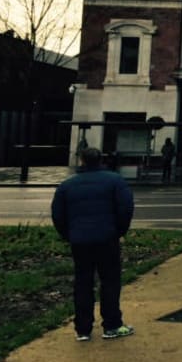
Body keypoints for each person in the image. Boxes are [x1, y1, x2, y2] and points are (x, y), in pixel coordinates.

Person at [50, 145, 135, 342]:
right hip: (107, 238)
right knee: (110, 281)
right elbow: (125, 209)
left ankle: (83, 328)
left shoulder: (67, 185)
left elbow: (58, 215)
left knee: (83, 282)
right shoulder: (115, 181)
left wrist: (69, 234)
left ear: (81, 161)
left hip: (80, 240)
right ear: (101, 160)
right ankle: (112, 324)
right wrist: (119, 231)